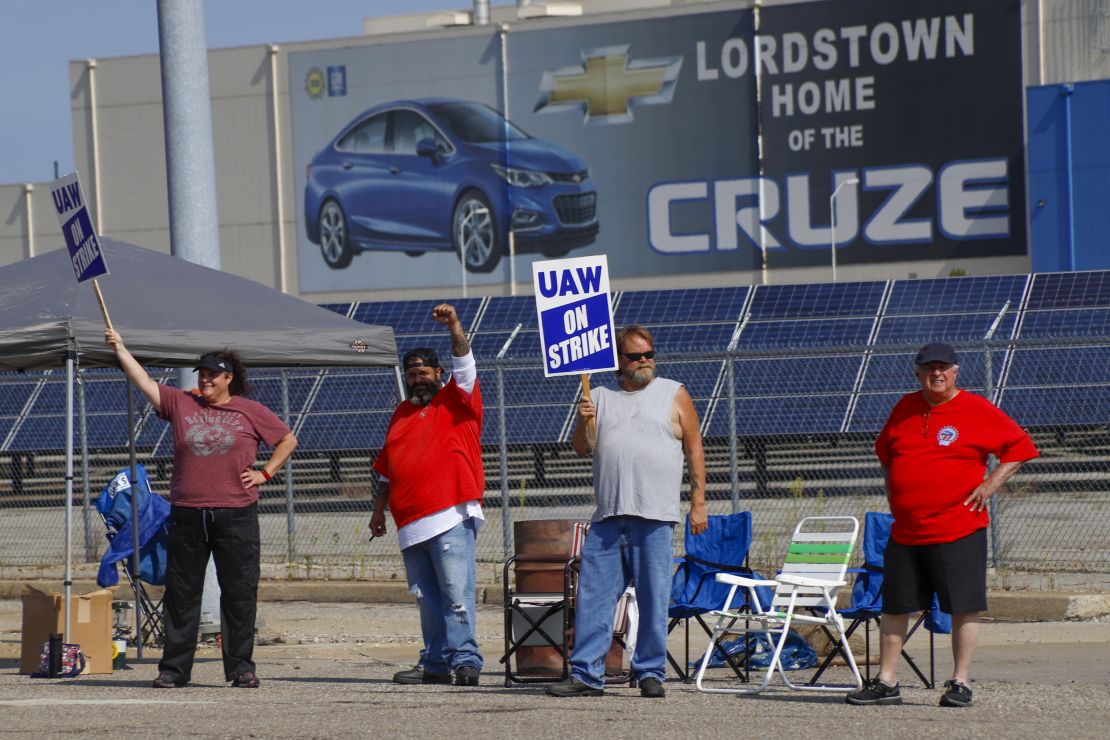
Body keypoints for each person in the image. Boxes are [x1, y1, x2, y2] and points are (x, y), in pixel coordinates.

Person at [846, 342, 1039, 708]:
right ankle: (887, 681)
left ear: (955, 371)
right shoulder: (904, 407)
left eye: (943, 368)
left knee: (963, 606)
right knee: (895, 606)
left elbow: (1021, 448)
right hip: (906, 530)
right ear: (917, 373)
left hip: (958, 528)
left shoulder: (976, 409)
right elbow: (886, 455)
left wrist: (989, 484)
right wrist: (894, 493)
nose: (936, 373)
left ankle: (959, 682)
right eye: (929, 368)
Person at [104, 328, 297, 689]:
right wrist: (120, 349)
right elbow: (144, 381)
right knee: (182, 592)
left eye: (212, 374)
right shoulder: (182, 403)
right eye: (201, 374)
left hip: (236, 513)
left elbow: (287, 439)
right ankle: (174, 670)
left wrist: (265, 473)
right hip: (189, 513)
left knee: (239, 592)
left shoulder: (250, 411)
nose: (205, 379)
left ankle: (241, 668)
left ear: (229, 378)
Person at [546, 324, 707, 699]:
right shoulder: (598, 396)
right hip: (608, 517)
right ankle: (586, 674)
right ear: (619, 361)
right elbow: (582, 448)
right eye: (636, 356)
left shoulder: (674, 393)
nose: (645, 361)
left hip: (654, 517)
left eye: (649, 353)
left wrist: (698, 502)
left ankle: (651, 672)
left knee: (653, 598)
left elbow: (695, 448)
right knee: (593, 598)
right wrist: (585, 418)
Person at [369, 303, 485, 687]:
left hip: (450, 515)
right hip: (409, 524)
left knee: (456, 594)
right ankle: (435, 663)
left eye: (424, 373)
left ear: (439, 373)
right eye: (412, 374)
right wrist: (378, 512)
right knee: (427, 600)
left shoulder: (458, 400)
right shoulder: (400, 413)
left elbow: (464, 359)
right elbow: (385, 470)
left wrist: (453, 324)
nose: (418, 379)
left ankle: (466, 661)